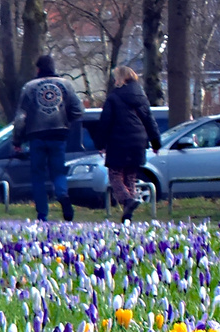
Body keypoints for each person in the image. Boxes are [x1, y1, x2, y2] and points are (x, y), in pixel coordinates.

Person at [11, 54, 85, 222]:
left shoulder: (29, 87)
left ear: (38, 69)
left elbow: (20, 118)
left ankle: (42, 214)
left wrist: (17, 141)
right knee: (58, 172)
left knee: (37, 175)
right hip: (59, 134)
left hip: (36, 136)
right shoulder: (66, 85)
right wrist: (66, 120)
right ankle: (63, 195)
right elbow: (79, 110)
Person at [99, 65, 161, 223]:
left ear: (120, 78)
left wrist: (100, 143)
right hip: (138, 142)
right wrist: (156, 142)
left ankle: (127, 201)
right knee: (131, 177)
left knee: (115, 175)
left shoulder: (114, 97)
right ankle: (128, 215)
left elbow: (105, 122)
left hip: (118, 141)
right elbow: (149, 120)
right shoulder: (141, 96)